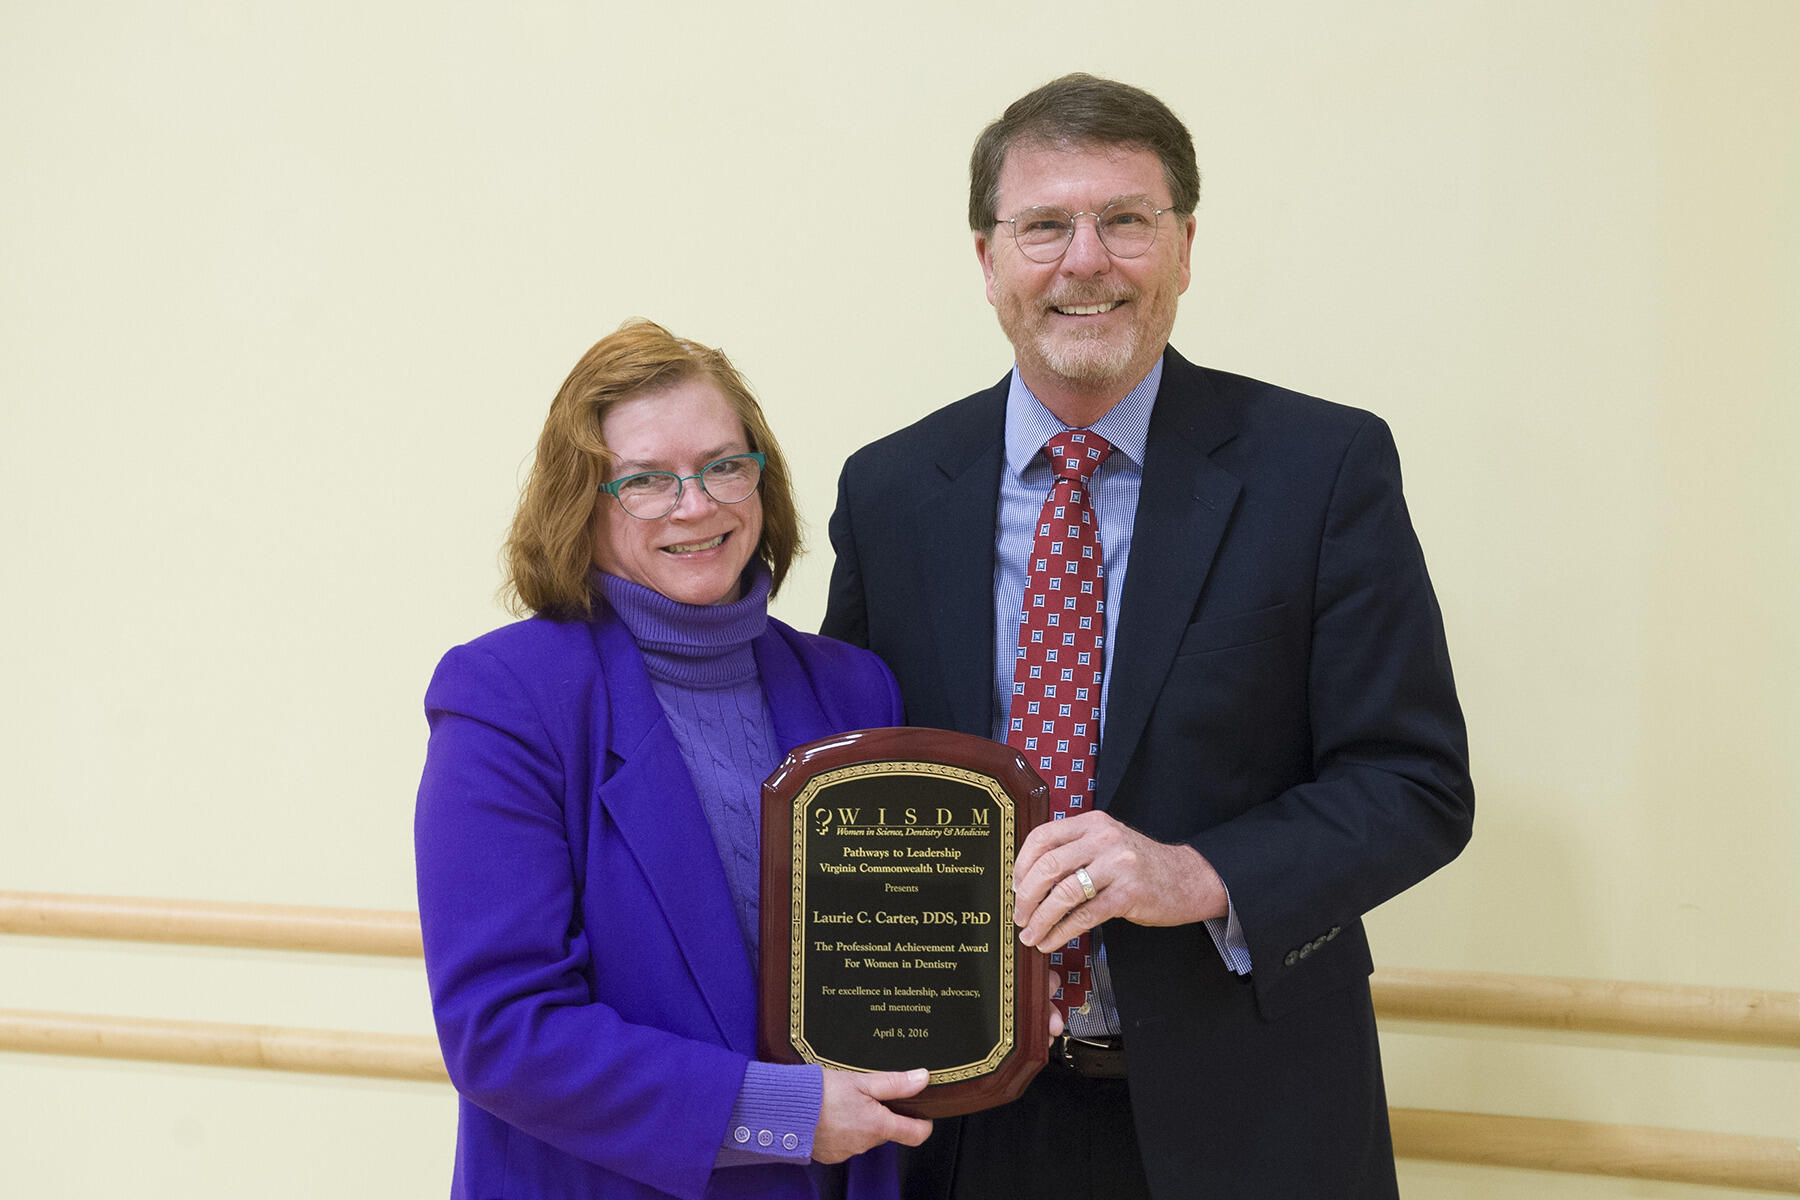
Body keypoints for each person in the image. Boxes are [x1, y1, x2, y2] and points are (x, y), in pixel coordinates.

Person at [822, 74, 1474, 1199]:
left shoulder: (1321, 472)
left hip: (1251, 1115)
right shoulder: (890, 492)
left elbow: (1415, 783)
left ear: (1182, 248)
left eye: (1125, 220)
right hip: (965, 1124)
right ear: (987, 260)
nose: (1086, 260)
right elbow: (854, 778)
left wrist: (1199, 872)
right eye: (1044, 226)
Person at [415, 319, 936, 1200]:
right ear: (582, 502)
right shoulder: (507, 696)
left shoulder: (855, 690)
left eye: (724, 465)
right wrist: (782, 1113)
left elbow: (892, 959)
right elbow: (501, 1030)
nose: (696, 505)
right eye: (647, 481)